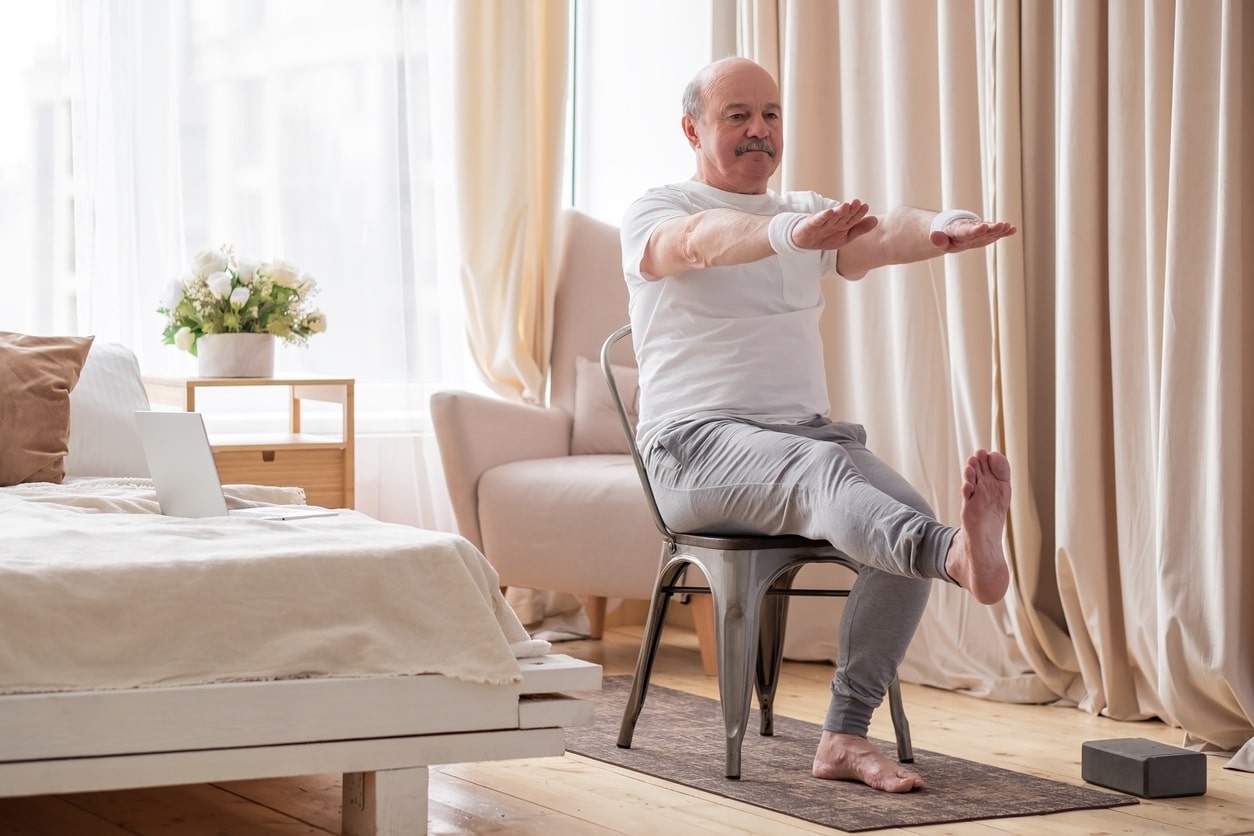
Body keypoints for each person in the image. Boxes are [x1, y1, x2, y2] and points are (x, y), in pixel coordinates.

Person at [619, 56, 1018, 793]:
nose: (758, 130)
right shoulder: (659, 207)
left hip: (800, 438)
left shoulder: (801, 207)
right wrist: (792, 236)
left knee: (896, 516)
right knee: (834, 483)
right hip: (692, 450)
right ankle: (953, 553)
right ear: (692, 128)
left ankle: (842, 737)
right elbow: (702, 242)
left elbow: (879, 232)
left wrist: (940, 227)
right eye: (737, 115)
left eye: (770, 114)